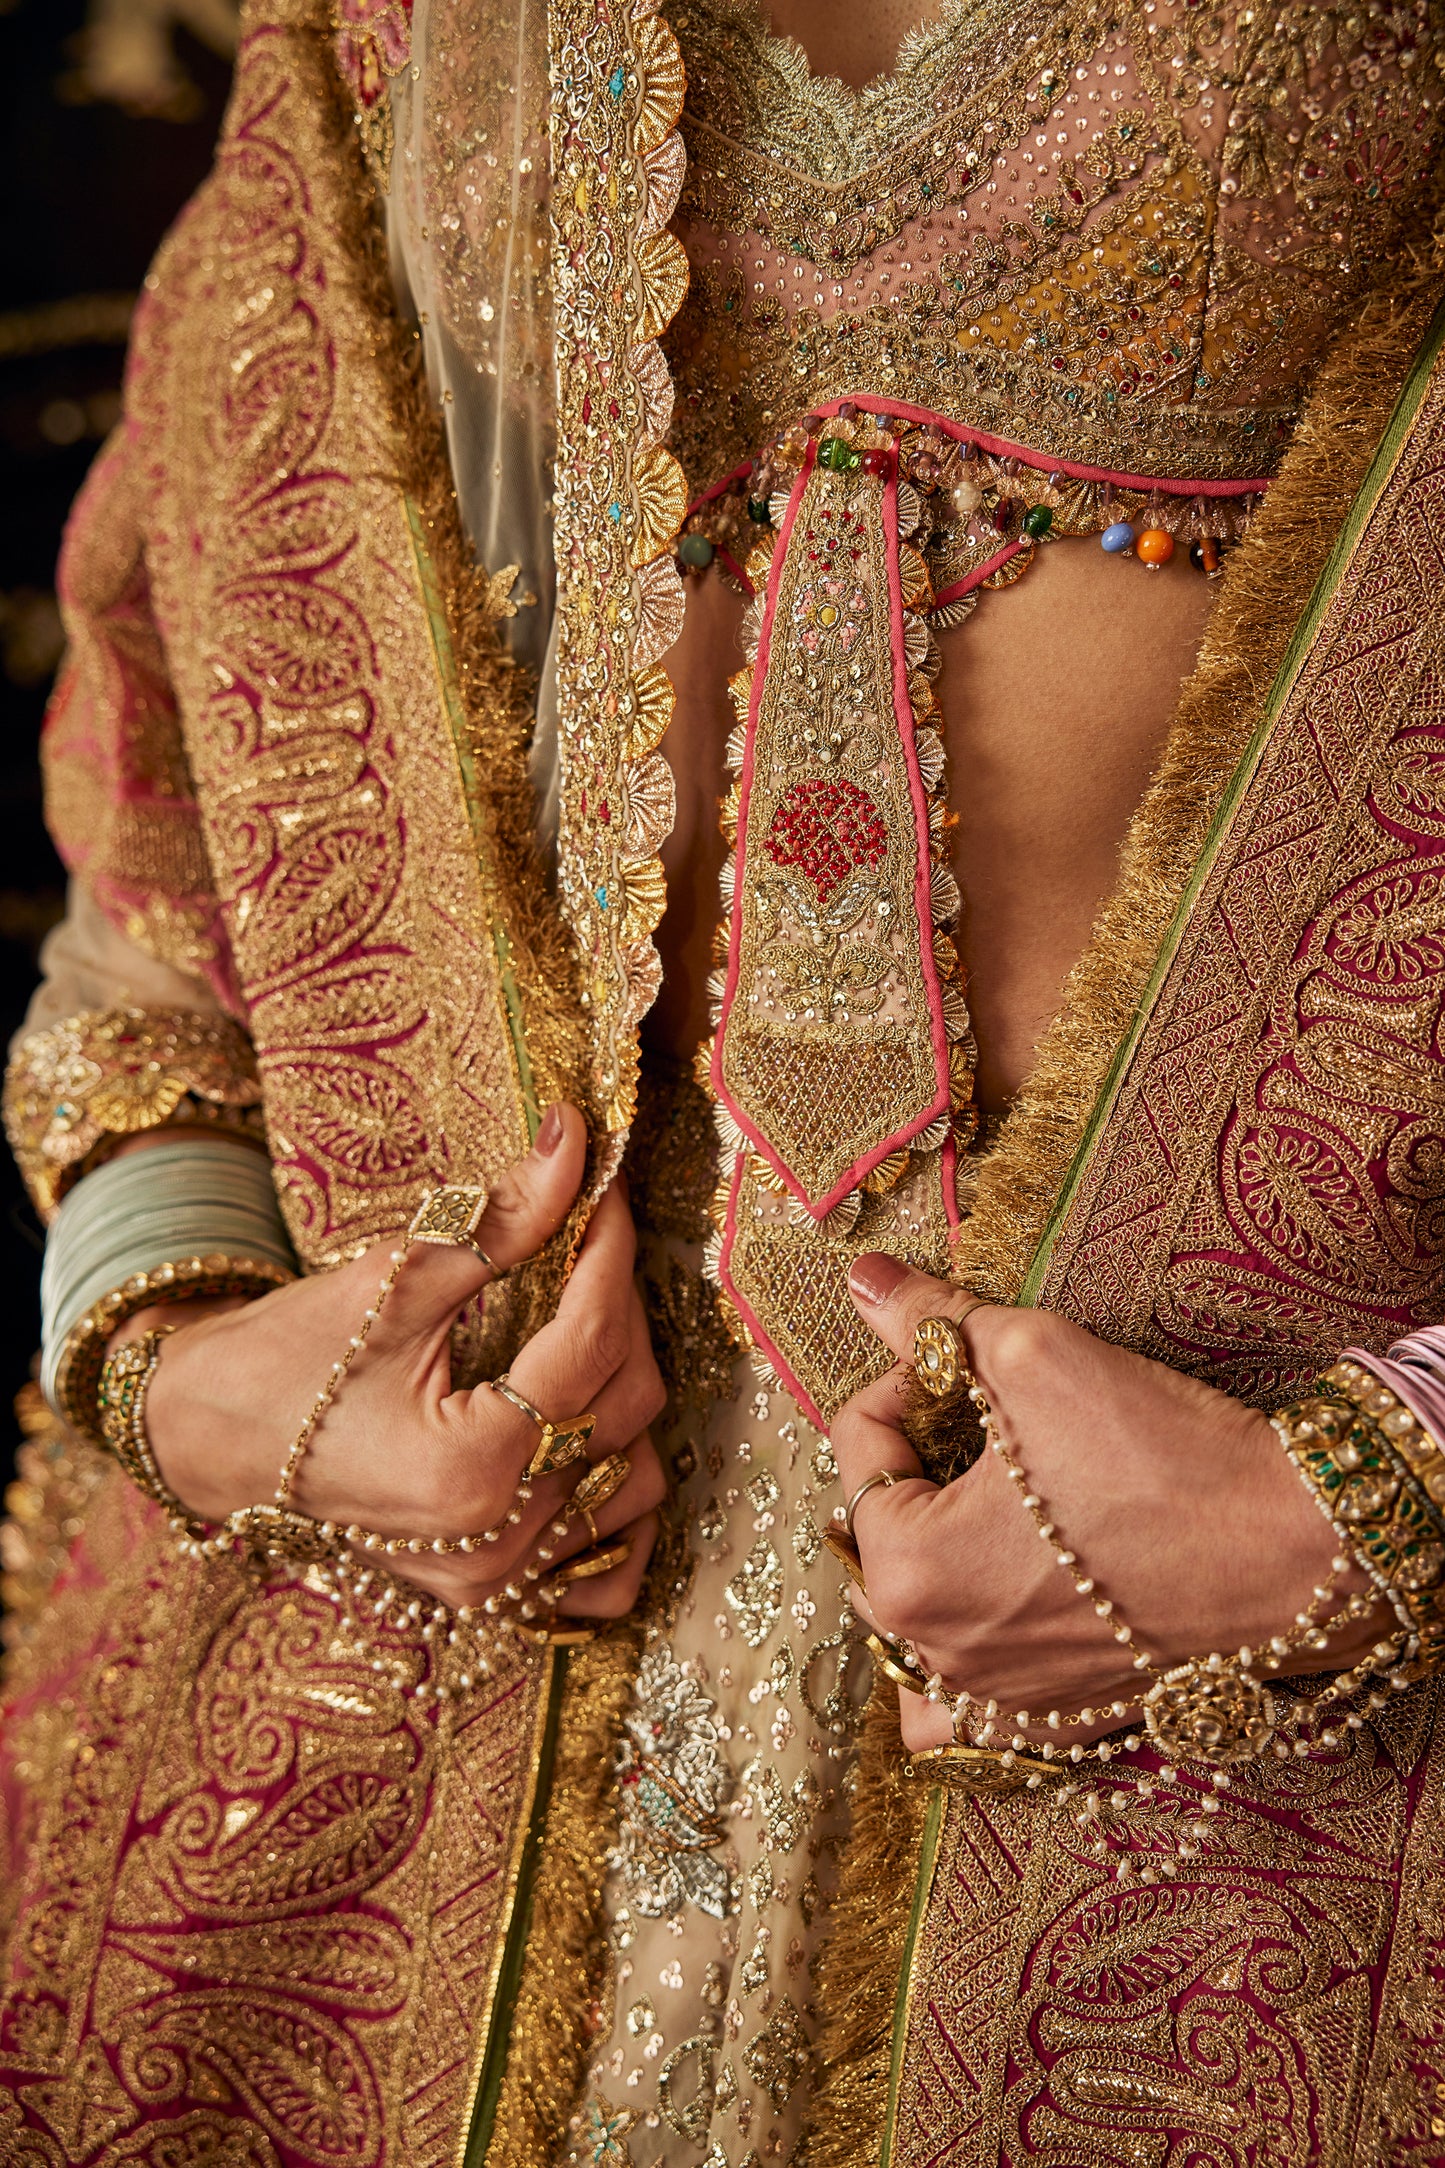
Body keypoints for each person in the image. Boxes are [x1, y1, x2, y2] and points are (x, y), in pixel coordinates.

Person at [3, 0, 1445, 2161]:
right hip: (400, 1695)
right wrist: (188, 1364)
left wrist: (1366, 1501)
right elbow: (179, 842)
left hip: (1260, 1751)